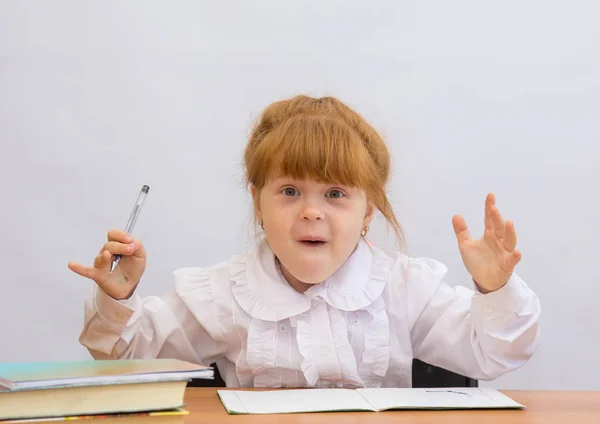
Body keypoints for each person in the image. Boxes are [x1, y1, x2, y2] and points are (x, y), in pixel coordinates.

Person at [68, 95, 540, 388]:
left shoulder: (404, 288)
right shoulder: (226, 293)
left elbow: (494, 351)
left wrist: (494, 289)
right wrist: (118, 296)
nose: (311, 211)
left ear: (368, 211)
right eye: (290, 192)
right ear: (257, 203)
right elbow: (126, 357)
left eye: (335, 194)